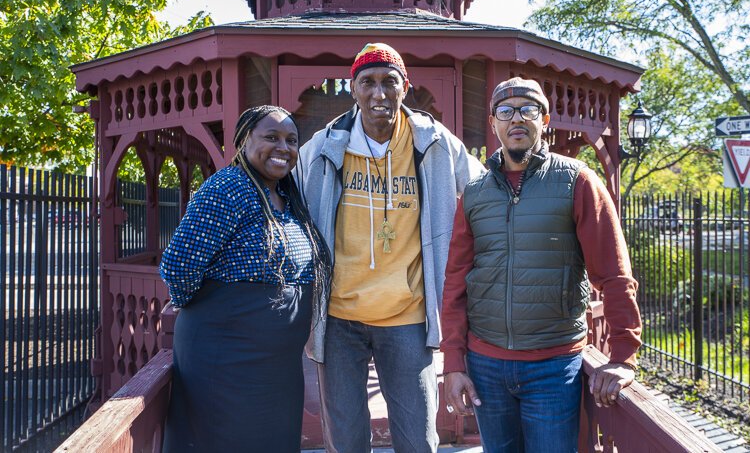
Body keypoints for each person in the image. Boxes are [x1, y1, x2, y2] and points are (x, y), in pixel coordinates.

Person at [296, 42, 484, 452]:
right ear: (353, 88)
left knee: (418, 440)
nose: (378, 93)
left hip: (407, 316)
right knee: (344, 442)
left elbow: (484, 195)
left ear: (405, 87)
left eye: (389, 82)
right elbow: (280, 196)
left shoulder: (435, 144)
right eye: (368, 83)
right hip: (339, 316)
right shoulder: (324, 147)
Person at [440, 77, 642, 453]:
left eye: (527, 109)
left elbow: (613, 274)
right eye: (506, 111)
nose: (516, 118)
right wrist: (454, 362)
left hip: (553, 367)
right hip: (486, 364)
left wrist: (623, 357)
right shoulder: (474, 193)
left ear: (544, 119)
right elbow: (456, 281)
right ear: (493, 122)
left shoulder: (577, 181)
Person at [159, 105, 332, 452]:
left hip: (276, 367)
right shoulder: (227, 188)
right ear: (243, 140)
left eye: (291, 140)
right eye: (271, 137)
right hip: (226, 360)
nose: (283, 147)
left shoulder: (286, 196)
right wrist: (216, 312)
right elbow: (178, 266)